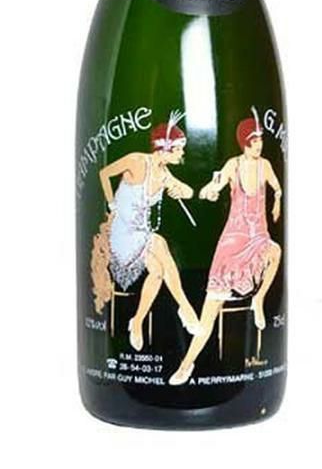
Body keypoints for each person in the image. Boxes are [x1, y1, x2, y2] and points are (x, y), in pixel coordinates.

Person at [169, 109, 282, 385]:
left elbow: (277, 187)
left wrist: (277, 200)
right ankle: (186, 364)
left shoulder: (265, 166)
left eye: (260, 140)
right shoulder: (233, 165)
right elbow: (214, 186)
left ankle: (258, 299)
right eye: (254, 141)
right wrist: (209, 191)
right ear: (245, 143)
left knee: (276, 252)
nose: (259, 145)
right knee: (210, 311)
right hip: (233, 244)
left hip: (258, 238)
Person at [92, 111, 200, 351]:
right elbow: (104, 174)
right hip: (120, 233)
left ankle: (137, 321)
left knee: (158, 272)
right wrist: (112, 205)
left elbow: (187, 191)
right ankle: (186, 308)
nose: (182, 154)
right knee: (159, 243)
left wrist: (182, 191)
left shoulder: (163, 174)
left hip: (141, 236)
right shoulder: (137, 161)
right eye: (179, 149)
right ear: (165, 148)